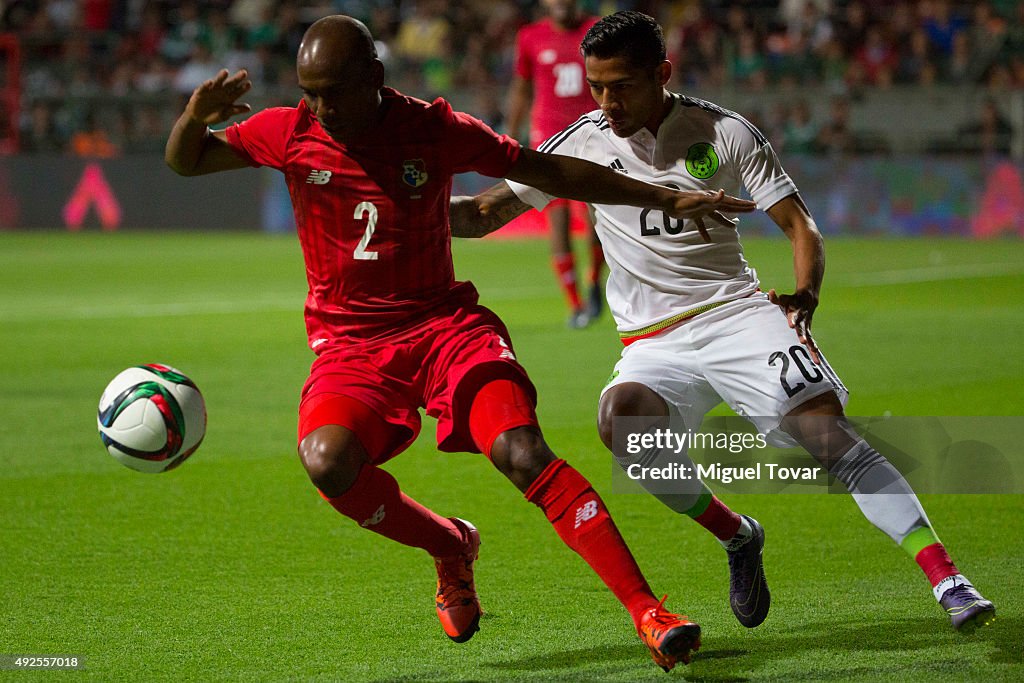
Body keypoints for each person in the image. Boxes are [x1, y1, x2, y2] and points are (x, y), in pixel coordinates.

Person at [165, 15, 758, 672]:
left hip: (448, 331)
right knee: (326, 459)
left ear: (376, 79)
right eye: (310, 92)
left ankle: (649, 610)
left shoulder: (433, 129)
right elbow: (185, 161)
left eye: (333, 91)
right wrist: (196, 115)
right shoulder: (289, 130)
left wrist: (659, 197)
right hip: (352, 348)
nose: (320, 107)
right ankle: (450, 545)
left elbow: (549, 172)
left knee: (522, 450)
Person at [451, 10, 996, 633]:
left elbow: (799, 224)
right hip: (651, 341)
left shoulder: (723, 132)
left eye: (621, 85)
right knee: (621, 424)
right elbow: (484, 212)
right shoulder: (582, 141)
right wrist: (399, 203)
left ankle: (946, 577)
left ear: (662, 72)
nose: (606, 102)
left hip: (735, 313)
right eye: (596, 86)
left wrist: (805, 294)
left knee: (826, 434)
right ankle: (737, 534)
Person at [507, 0, 604, 328]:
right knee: (558, 221)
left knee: (598, 220)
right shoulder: (530, 36)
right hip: (549, 140)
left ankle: (593, 282)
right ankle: (576, 305)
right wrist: (508, 136)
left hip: (593, 135)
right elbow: (521, 89)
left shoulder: (597, 29)